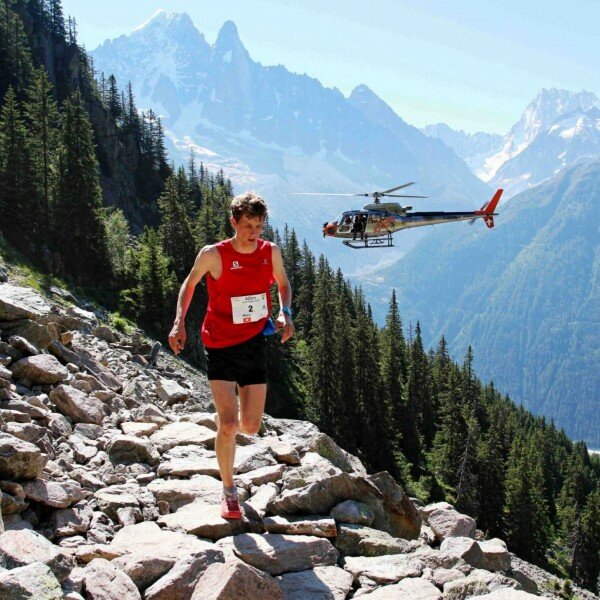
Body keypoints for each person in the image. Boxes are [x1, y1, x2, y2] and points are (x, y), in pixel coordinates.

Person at [168, 191, 294, 519]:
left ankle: (230, 430)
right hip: (219, 343)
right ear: (233, 222)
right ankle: (228, 490)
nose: (254, 231)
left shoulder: (270, 252)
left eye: (259, 225)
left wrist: (286, 312)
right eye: (248, 225)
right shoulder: (214, 255)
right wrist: (180, 321)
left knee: (250, 426)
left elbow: (283, 284)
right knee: (228, 423)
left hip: (253, 341)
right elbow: (190, 284)